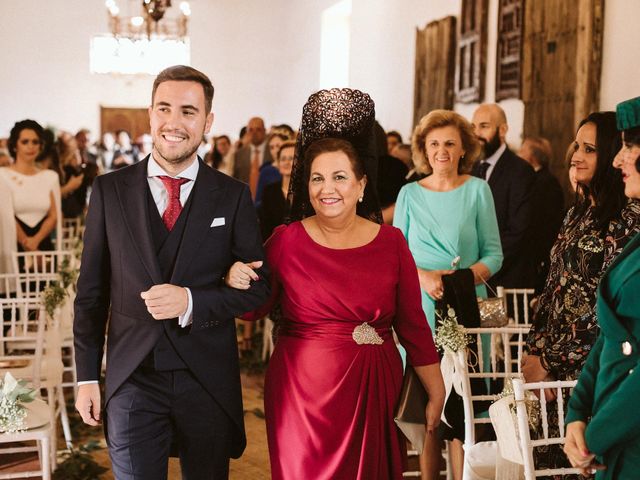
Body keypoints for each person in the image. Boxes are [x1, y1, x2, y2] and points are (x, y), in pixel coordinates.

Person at [227, 89, 445, 480]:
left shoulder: (391, 243)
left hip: (375, 390)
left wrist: (436, 388)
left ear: (362, 185)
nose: (327, 189)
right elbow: (251, 309)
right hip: (301, 395)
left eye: (340, 177)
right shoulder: (285, 241)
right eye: (317, 178)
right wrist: (235, 277)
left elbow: (413, 325)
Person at [73, 65, 270, 480]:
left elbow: (258, 290)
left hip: (207, 378)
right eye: (164, 109)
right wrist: (86, 376)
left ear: (208, 121)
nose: (174, 123)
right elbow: (90, 293)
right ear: (150, 115)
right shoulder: (110, 191)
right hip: (133, 378)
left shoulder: (232, 196)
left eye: (188, 111)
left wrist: (193, 301)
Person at [523, 111, 640, 477]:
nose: (576, 155)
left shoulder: (629, 220)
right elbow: (554, 285)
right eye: (577, 145)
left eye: (590, 149)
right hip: (554, 373)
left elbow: (601, 312)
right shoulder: (577, 213)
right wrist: (534, 351)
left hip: (585, 372)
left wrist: (552, 362)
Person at [393, 109, 503, 479]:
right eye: (434, 143)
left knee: (461, 407)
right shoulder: (409, 193)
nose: (441, 150)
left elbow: (494, 254)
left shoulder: (477, 190)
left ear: (463, 150)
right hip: (420, 309)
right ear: (424, 149)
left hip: (465, 309)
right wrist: (423, 276)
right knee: (428, 410)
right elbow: (395, 255)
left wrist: (463, 279)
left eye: (450, 144)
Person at [563, 97, 640, 480]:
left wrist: (594, 435)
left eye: (628, 147)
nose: (617, 159)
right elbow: (611, 333)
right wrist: (577, 412)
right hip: (610, 431)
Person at [471, 103, 536, 290]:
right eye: (473, 127)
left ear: (503, 130)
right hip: (473, 277)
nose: (476, 134)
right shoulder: (469, 169)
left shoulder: (521, 171)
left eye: (484, 126)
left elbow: (519, 231)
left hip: (506, 278)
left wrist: (483, 264)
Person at [0, 119, 61, 253]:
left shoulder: (50, 177)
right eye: (25, 142)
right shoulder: (3, 176)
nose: (30, 146)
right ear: (15, 145)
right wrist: (27, 244)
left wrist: (36, 240)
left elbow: (54, 216)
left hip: (43, 245)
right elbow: (4, 215)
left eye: (35, 142)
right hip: (13, 246)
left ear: (41, 145)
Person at [518, 136, 565, 292]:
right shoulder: (540, 180)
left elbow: (543, 223)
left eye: (521, 151)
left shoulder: (545, 183)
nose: (518, 154)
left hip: (537, 256)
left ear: (531, 157)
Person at [258, 140, 295, 240]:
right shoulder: (269, 191)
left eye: (292, 158)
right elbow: (264, 227)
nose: (287, 162)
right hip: (275, 245)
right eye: (283, 159)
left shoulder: (308, 190)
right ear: (278, 163)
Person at [232, 116, 273, 196]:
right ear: (247, 132)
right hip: (245, 198)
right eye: (251, 130)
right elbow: (236, 177)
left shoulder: (272, 152)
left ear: (264, 131)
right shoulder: (239, 154)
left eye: (258, 129)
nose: (254, 133)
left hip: (268, 198)